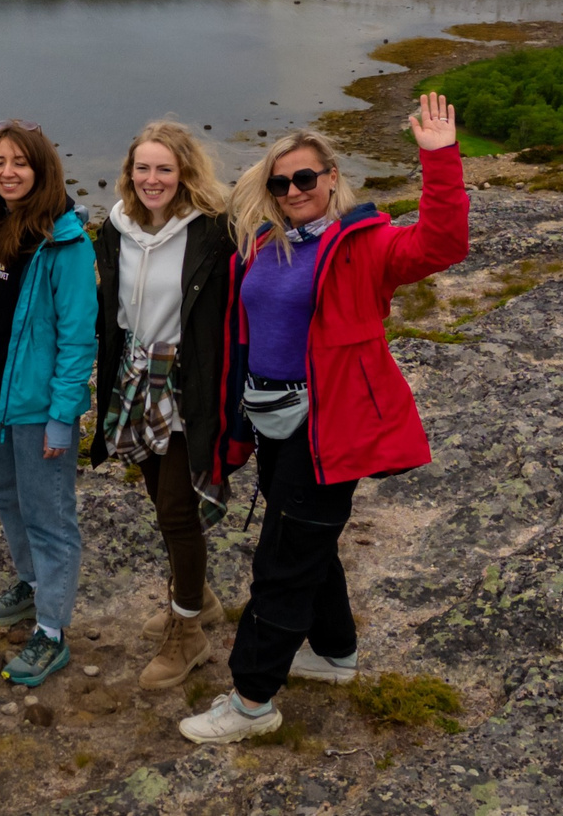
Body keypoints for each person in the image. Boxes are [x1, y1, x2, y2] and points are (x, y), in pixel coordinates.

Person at [180, 92, 469, 745]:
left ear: (332, 177)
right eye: (280, 182)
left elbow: (445, 242)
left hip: (328, 427)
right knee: (307, 541)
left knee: (283, 560)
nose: (292, 190)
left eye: (305, 178)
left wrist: (440, 159)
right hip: (273, 420)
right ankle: (336, 652)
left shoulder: (365, 246)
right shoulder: (262, 242)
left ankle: (253, 701)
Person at [90, 121, 233, 691]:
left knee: (177, 507)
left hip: (186, 380)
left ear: (185, 173)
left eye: (164, 169)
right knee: (159, 498)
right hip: (132, 376)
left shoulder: (215, 233)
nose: (151, 179)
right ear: (129, 173)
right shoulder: (115, 231)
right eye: (142, 168)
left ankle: (189, 634)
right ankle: (198, 597)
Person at [0, 120, 95, 687]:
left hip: (39, 407)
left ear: (41, 169)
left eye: (19, 162)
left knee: (50, 515)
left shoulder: (64, 242)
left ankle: (52, 632)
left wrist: (63, 416)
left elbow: (78, 337)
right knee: (9, 495)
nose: (8, 172)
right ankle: (31, 582)